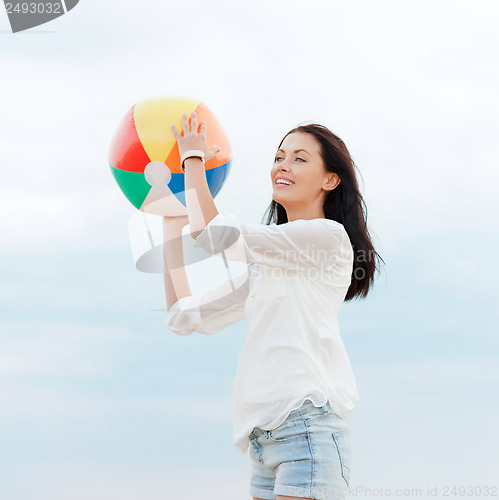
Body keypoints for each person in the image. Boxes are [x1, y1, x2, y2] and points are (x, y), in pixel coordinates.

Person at [163, 111, 382, 500]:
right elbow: (184, 316)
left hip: (306, 430)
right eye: (279, 156)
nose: (283, 165)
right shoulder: (268, 263)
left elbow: (212, 234)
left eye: (300, 158)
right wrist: (169, 226)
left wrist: (191, 159)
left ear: (330, 180)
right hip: (264, 441)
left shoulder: (328, 238)